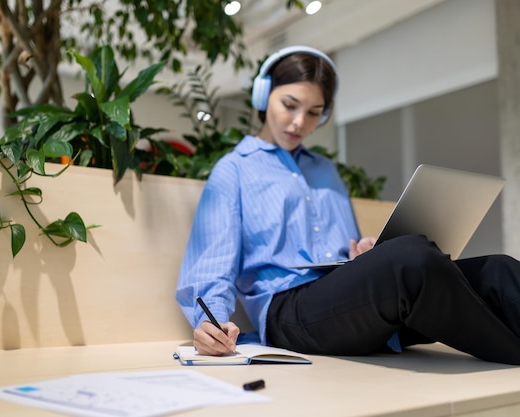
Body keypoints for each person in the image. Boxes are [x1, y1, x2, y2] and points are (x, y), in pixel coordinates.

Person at [175, 45, 520, 365]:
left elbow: (347, 251)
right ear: (264, 96)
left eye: (314, 112)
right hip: (289, 314)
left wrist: (365, 255)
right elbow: (212, 265)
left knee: (498, 270)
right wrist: (212, 321)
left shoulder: (326, 172)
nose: (299, 122)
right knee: (412, 260)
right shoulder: (233, 170)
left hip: (346, 305)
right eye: (289, 105)